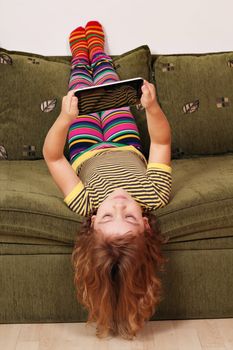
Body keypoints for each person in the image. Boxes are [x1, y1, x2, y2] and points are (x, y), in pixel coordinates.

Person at [43, 21, 172, 340]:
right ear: (146, 224)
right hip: (124, 138)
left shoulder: (84, 202)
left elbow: (54, 158)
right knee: (107, 84)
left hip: (84, 145)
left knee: (81, 91)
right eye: (128, 216)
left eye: (107, 216)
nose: (117, 205)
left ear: (91, 222)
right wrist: (152, 109)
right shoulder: (155, 195)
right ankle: (97, 50)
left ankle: (79, 57)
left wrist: (65, 119)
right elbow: (160, 144)